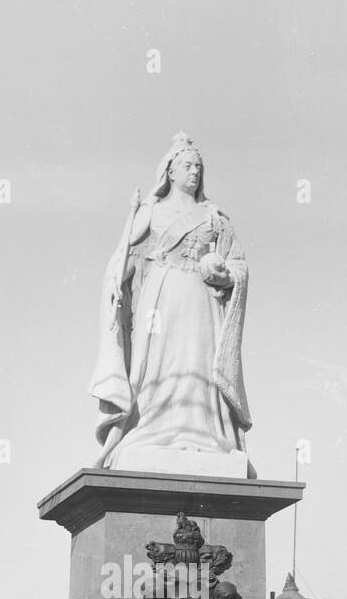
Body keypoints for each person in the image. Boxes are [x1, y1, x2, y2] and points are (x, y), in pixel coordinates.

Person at [89, 132, 252, 470]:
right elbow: (127, 257)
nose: (194, 172)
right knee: (158, 364)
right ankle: (151, 426)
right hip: (161, 297)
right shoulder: (151, 211)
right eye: (187, 165)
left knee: (197, 359)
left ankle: (203, 432)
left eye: (198, 166)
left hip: (200, 298)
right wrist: (116, 279)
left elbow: (238, 263)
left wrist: (225, 275)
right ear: (171, 172)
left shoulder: (214, 216)